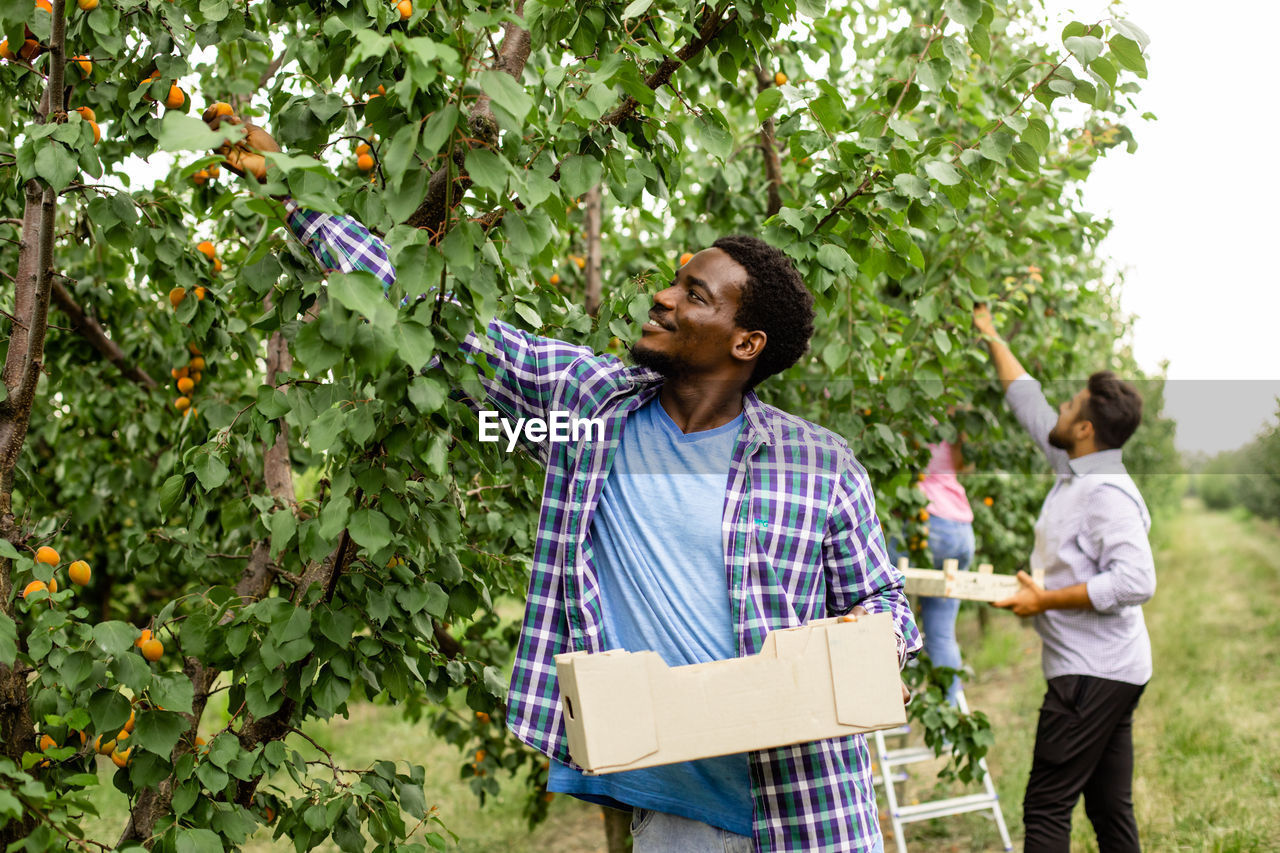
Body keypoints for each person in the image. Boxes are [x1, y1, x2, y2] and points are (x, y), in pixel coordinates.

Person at [206, 109, 922, 853]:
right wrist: (294, 188)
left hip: (813, 807)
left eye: (695, 295)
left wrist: (873, 641)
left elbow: (882, 602)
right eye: (675, 282)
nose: (664, 298)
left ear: (746, 343)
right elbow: (428, 317)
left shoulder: (820, 462)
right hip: (682, 818)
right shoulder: (588, 408)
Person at [974, 305, 1155, 853]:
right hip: (1113, 670)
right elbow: (1027, 400)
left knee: (1047, 808)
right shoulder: (1073, 465)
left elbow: (1136, 582)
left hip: (1091, 676)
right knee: (1107, 807)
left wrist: (1044, 601)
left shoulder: (1105, 493)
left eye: (1072, 403)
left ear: (1085, 429)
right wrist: (990, 334)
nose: (1061, 405)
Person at [887, 437, 974, 705]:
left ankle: (889, 703)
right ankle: (949, 724)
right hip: (962, 530)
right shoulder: (952, 420)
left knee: (879, 601)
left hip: (926, 523)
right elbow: (964, 466)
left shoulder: (907, 419)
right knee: (943, 634)